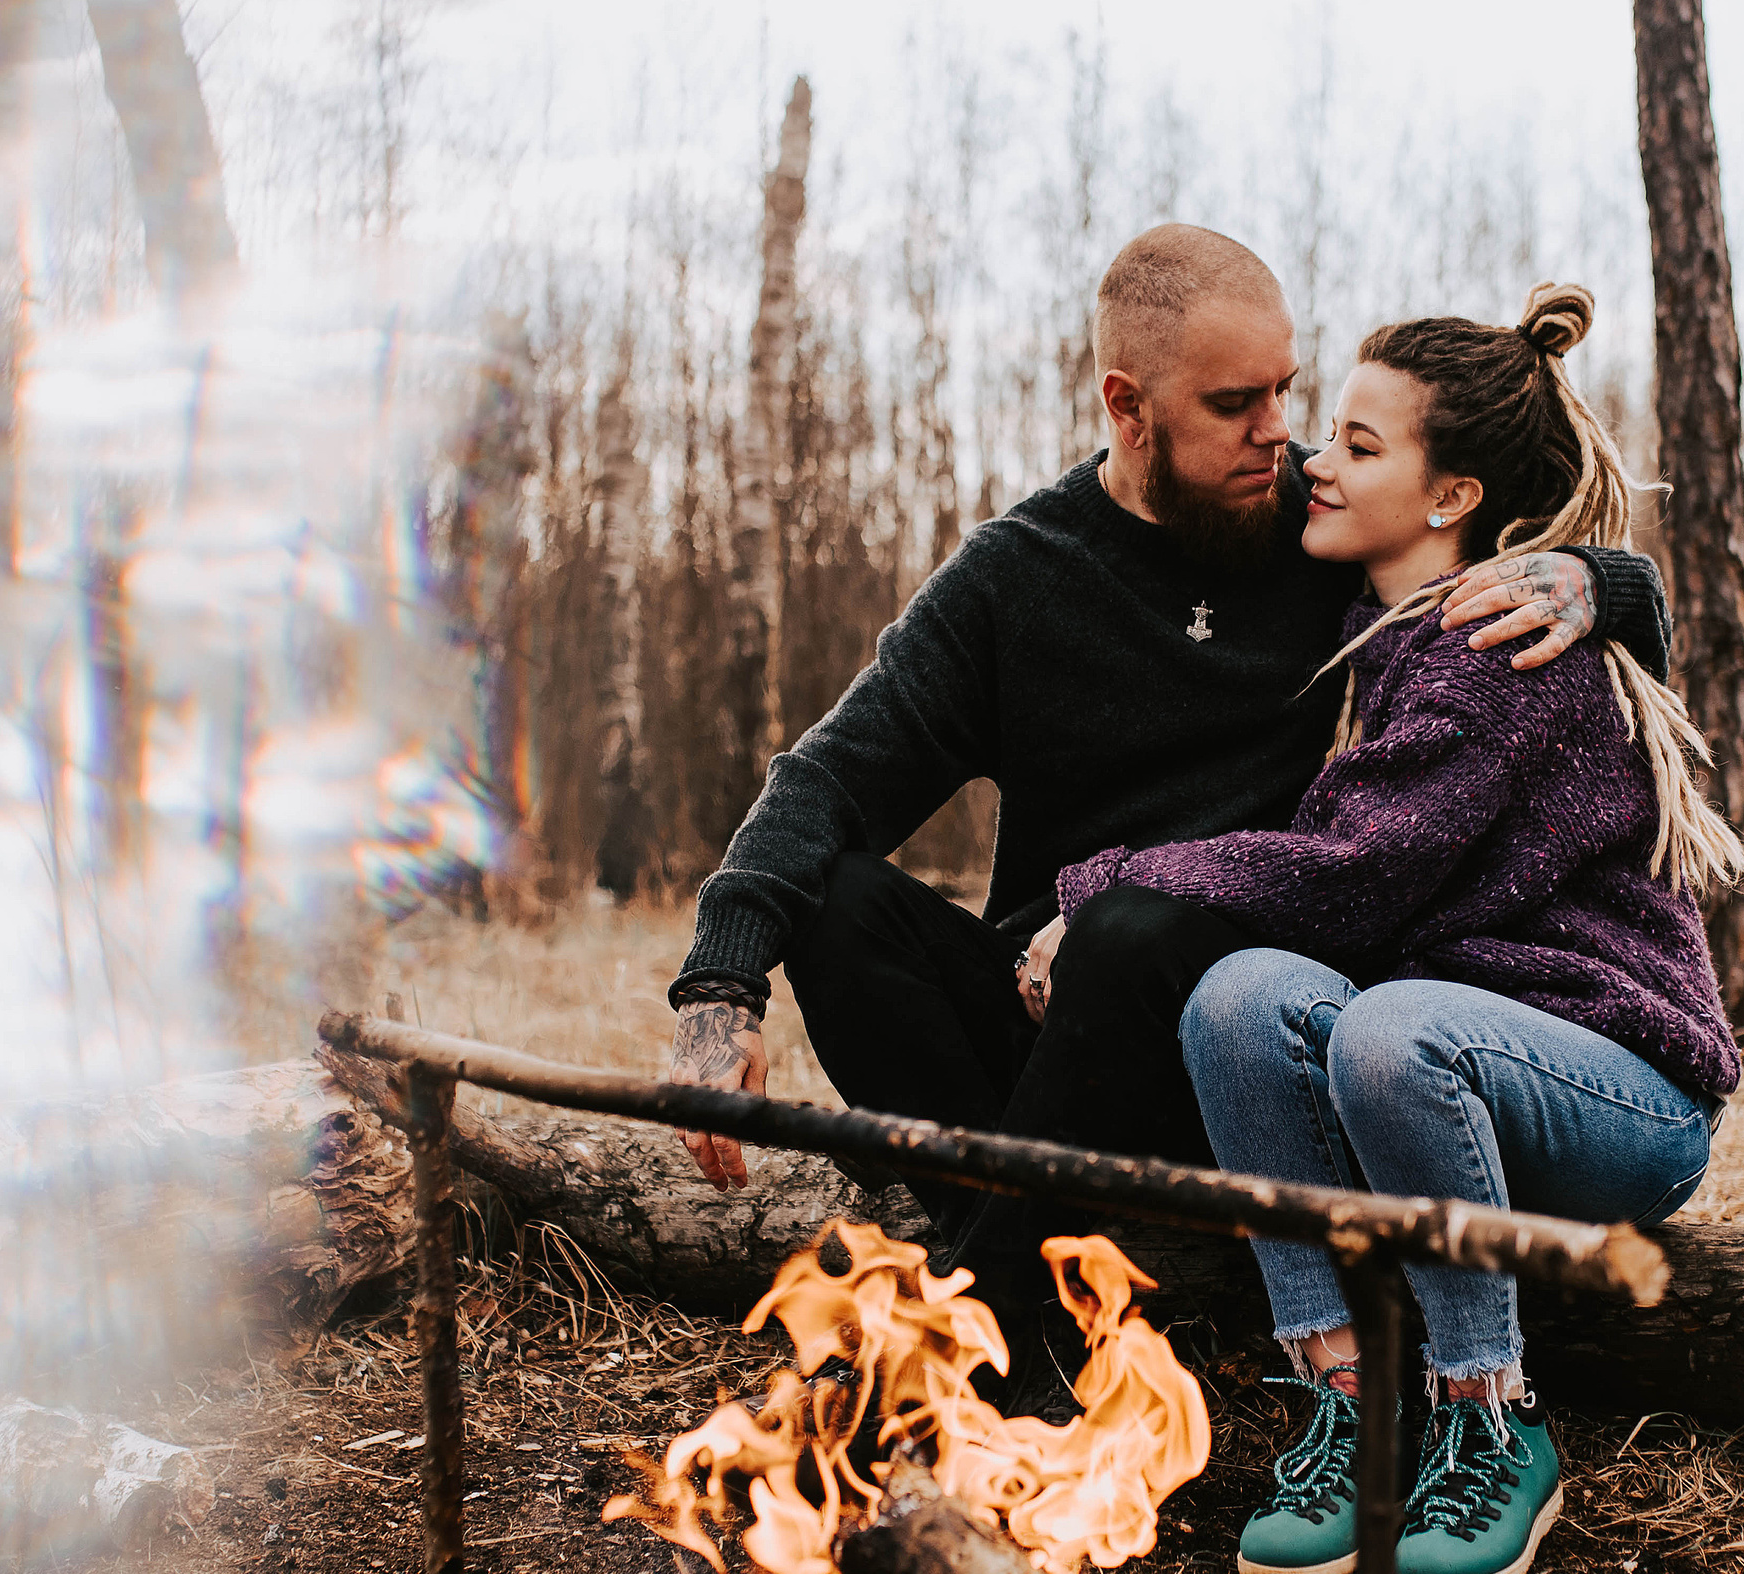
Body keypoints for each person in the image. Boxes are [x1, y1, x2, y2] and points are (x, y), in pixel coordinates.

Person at [659, 227, 1675, 1384]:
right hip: (1046, 1043)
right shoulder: (1020, 576)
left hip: (1229, 1042)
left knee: (1142, 925)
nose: (1280, 434)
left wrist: (1605, 582)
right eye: (1237, 403)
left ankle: (991, 1320)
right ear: (1128, 408)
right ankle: (1043, 1245)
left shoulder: (1325, 521)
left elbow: (1483, 524)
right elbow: (827, 777)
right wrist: (718, 993)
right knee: (839, 905)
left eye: (1287, 391)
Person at [1047, 283, 1743, 1574]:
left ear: (1450, 498)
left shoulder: (1497, 649)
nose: (1314, 457)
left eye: (1361, 447)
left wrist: (1100, 883)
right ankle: (1348, 1398)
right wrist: (1614, 576)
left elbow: (1352, 880)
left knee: (1386, 1017)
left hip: (1623, 1096)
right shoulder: (1381, 629)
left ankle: (1490, 1411)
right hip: (1445, 1055)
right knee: (1238, 996)